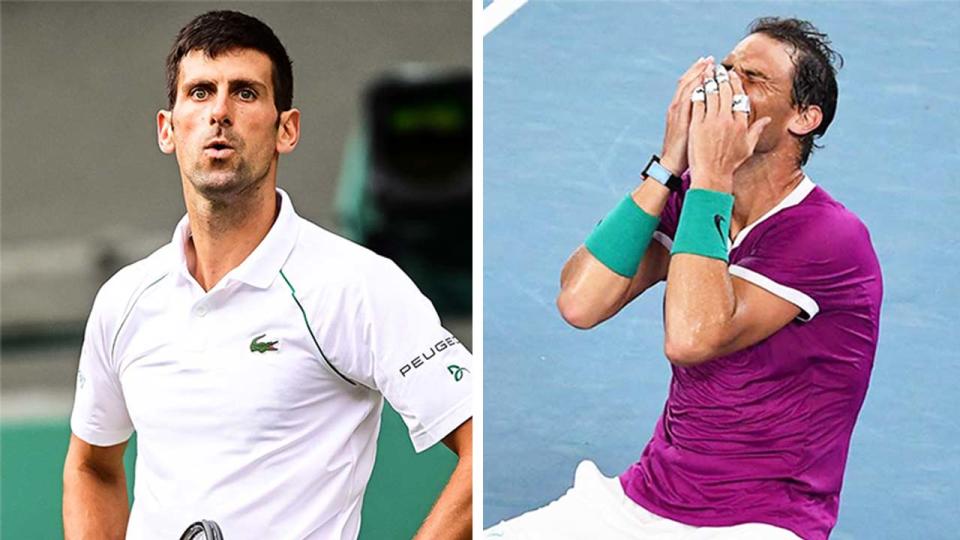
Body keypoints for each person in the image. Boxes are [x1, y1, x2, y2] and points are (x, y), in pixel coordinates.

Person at [62, 11, 472, 540]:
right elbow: (91, 464)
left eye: (246, 93)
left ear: (287, 129)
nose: (221, 113)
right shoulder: (124, 300)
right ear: (168, 129)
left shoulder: (357, 285)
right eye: (201, 92)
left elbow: (479, 441)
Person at [486, 17, 881, 540]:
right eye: (727, 69)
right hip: (640, 499)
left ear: (804, 118)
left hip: (761, 521)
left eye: (753, 79)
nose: (725, 87)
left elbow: (693, 337)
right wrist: (670, 164)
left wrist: (712, 176)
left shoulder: (829, 237)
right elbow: (580, 303)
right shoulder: (693, 195)